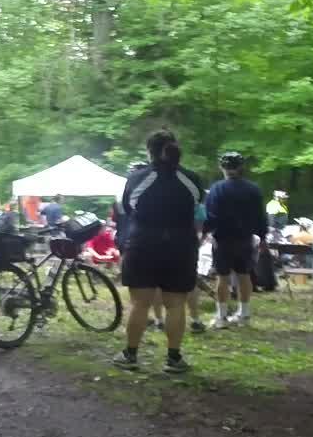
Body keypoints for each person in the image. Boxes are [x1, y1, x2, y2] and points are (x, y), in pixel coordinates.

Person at [112, 129, 202, 375]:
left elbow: (129, 209)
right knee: (176, 305)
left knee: (140, 303)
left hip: (143, 244)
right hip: (181, 246)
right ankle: (174, 359)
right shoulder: (192, 179)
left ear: (149, 151)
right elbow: (195, 207)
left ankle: (130, 354)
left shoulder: (137, 179)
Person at [203, 151, 267, 327]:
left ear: (222, 167)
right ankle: (244, 314)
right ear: (241, 167)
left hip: (222, 239)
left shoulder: (216, 189)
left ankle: (221, 317)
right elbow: (260, 216)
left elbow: (210, 215)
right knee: (244, 275)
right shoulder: (253, 189)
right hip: (245, 238)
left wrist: (206, 233)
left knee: (222, 277)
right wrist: (262, 237)